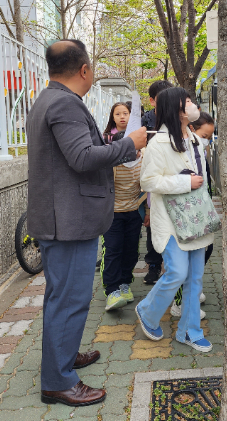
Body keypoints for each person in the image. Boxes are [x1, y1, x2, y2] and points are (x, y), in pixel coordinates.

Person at [27, 39, 147, 407]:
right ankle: (58, 381)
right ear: (84, 70)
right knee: (70, 298)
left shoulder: (48, 98)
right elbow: (81, 157)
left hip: (62, 218)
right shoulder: (64, 103)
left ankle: (63, 357)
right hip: (68, 222)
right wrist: (130, 143)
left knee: (61, 297)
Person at [136, 87, 214, 353]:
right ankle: (147, 311)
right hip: (171, 221)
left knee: (195, 277)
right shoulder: (158, 143)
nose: (193, 106)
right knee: (178, 272)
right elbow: (147, 180)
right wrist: (184, 182)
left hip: (194, 218)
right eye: (188, 102)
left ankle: (189, 331)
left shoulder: (193, 138)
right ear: (175, 109)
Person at [169, 111, 217, 319]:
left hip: (200, 213)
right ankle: (179, 303)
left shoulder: (197, 151)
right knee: (185, 262)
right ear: (191, 130)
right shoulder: (181, 152)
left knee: (205, 251)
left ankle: (191, 293)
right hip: (186, 215)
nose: (207, 141)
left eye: (209, 137)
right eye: (204, 136)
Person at [100, 102, 144, 312]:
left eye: (135, 151)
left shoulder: (142, 161)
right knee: (113, 250)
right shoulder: (111, 167)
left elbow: (148, 187)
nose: (133, 156)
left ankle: (125, 283)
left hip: (133, 212)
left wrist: (148, 210)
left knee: (131, 252)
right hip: (112, 215)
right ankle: (112, 290)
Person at [141, 80, 173, 285]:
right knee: (152, 224)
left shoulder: (179, 118)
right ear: (152, 101)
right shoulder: (146, 120)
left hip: (174, 178)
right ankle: (153, 265)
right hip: (153, 178)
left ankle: (172, 267)